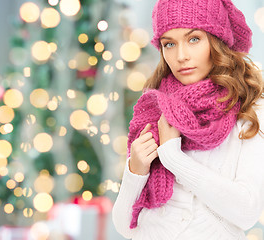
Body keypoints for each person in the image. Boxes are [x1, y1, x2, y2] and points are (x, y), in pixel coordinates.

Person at [112, 0, 264, 239]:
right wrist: (136, 170)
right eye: (169, 44)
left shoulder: (250, 108)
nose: (181, 56)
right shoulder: (155, 107)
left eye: (194, 39)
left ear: (216, 40)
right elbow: (124, 226)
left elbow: (246, 212)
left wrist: (172, 156)